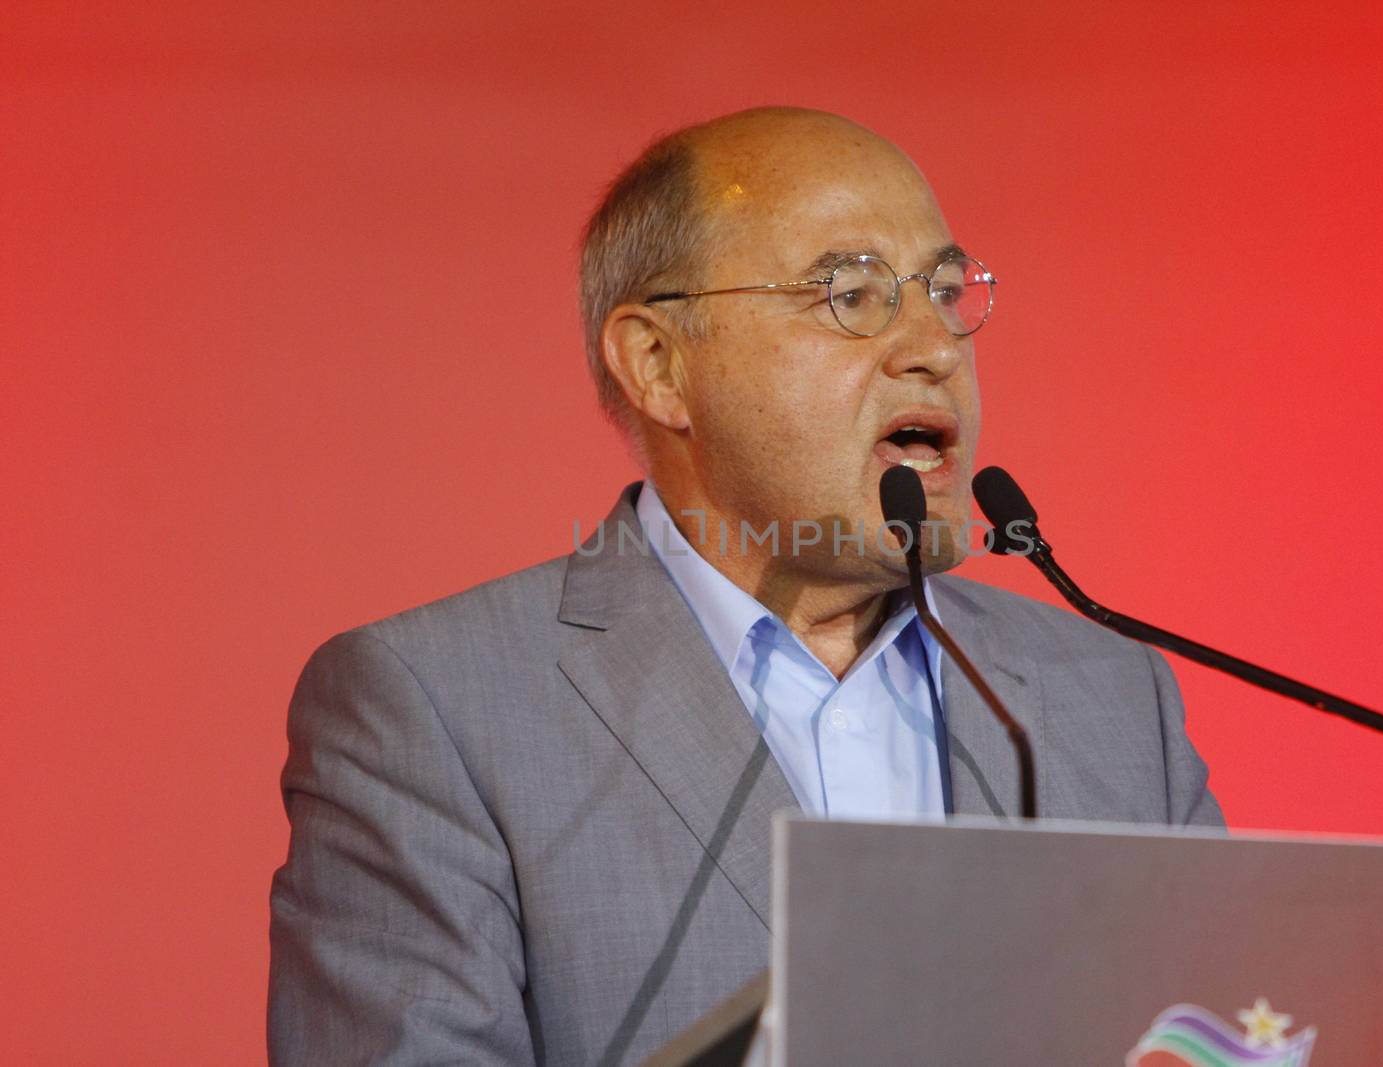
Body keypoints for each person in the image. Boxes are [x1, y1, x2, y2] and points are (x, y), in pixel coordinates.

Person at [267, 107, 1223, 1067]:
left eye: (943, 290)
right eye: (851, 294)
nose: (934, 345)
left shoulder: (1110, 698)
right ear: (660, 365)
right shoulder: (436, 710)